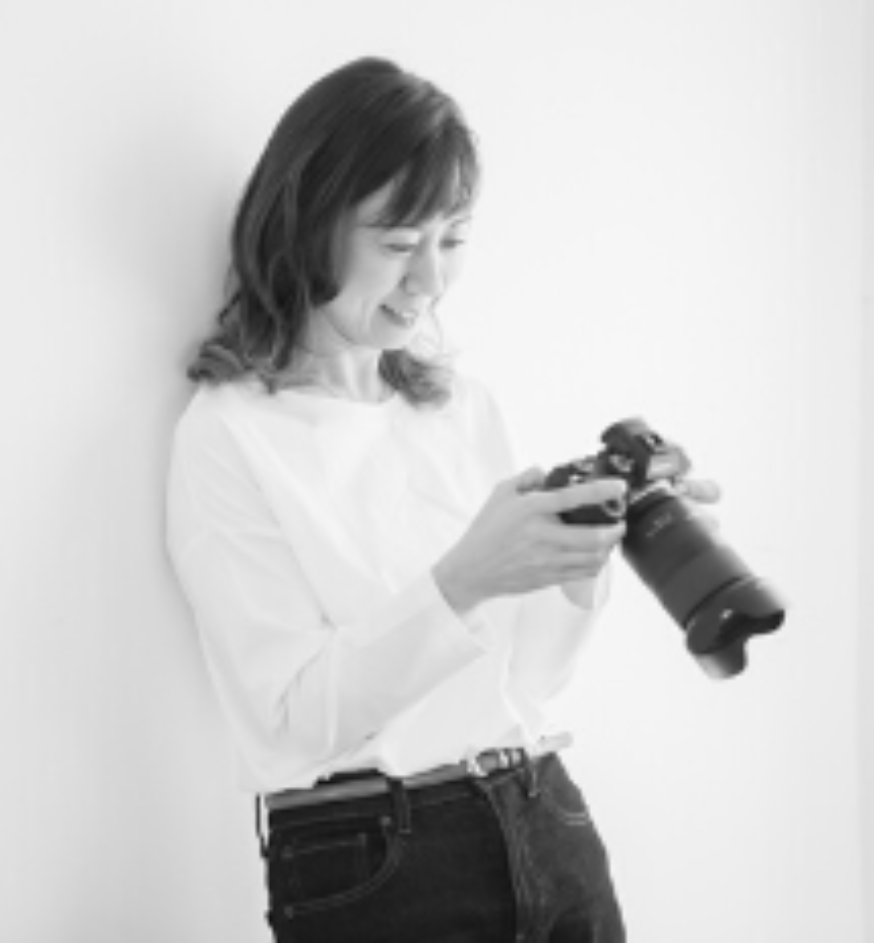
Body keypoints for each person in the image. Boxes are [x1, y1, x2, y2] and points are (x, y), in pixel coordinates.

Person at [166, 56, 717, 943]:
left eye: (453, 239)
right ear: (307, 227)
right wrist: (463, 580)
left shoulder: (460, 408)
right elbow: (293, 722)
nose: (430, 280)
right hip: (377, 857)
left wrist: (587, 551)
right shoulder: (230, 433)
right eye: (397, 244)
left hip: (545, 812)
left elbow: (530, 679)